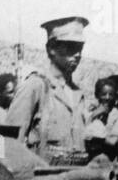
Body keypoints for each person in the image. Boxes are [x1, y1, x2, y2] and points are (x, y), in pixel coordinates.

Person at [6, 17, 90, 163]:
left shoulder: (78, 94)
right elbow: (6, 140)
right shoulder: (36, 86)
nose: (77, 54)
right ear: (51, 49)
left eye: (80, 48)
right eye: (70, 47)